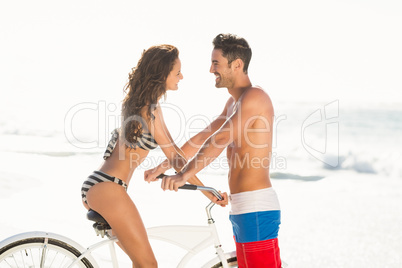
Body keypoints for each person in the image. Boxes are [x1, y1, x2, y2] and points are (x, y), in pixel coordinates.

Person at [81, 44, 227, 268]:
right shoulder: (151, 111)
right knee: (148, 265)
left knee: (141, 263)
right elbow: (179, 162)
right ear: (162, 74)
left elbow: (176, 153)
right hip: (109, 188)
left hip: (99, 184)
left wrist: (161, 168)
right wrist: (209, 193)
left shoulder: (138, 104)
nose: (181, 77)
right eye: (177, 72)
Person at [145, 34, 282, 268]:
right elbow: (202, 137)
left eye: (216, 63)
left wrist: (183, 176)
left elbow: (219, 140)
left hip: (256, 206)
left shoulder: (255, 97)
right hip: (242, 206)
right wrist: (164, 165)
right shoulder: (233, 103)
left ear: (237, 64)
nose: (210, 69)